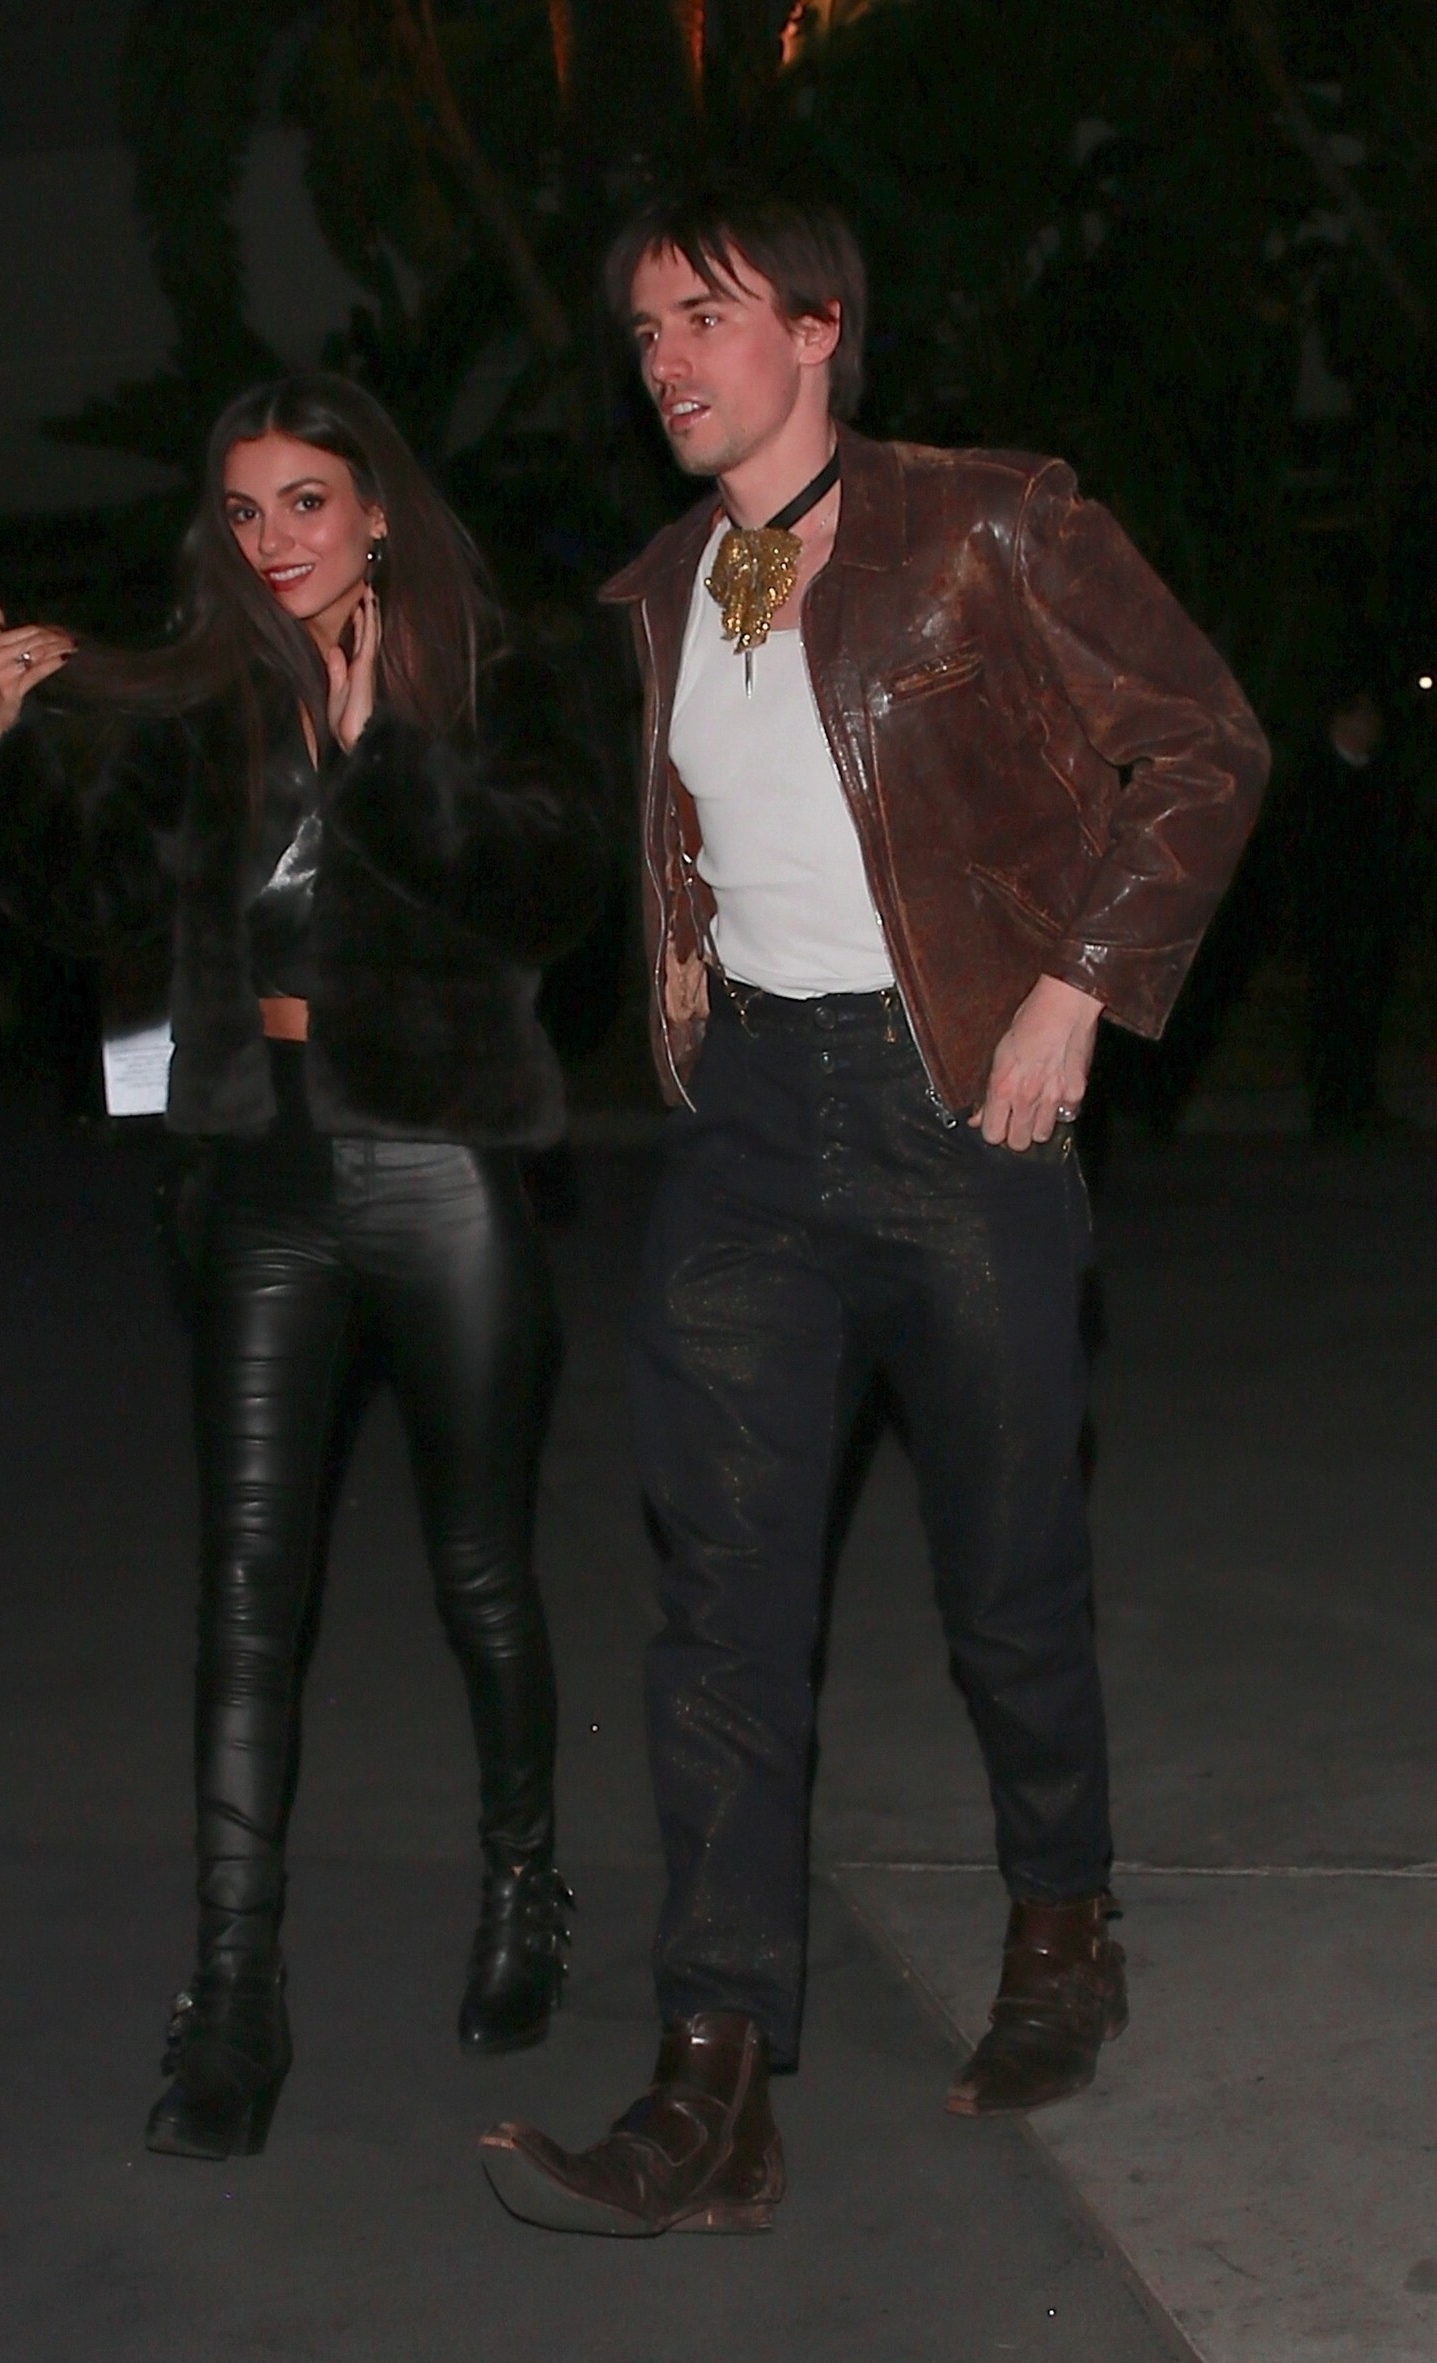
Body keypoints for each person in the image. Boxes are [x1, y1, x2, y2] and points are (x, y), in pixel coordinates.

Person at [480, 188, 1269, 2236]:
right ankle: (710, 2084)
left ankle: (1061, 1929)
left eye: (703, 315)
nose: (664, 358)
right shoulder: (662, 587)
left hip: (958, 1113)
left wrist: (1075, 992)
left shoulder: (988, 520)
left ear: (818, 326)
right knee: (719, 1613)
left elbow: (1201, 746)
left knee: (1007, 1576)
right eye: (643, 330)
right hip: (750, 1131)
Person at [0, 373, 602, 2161]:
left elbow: (550, 895)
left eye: (305, 502)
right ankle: (232, 1996)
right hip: (263, 1163)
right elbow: (86, 904)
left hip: (444, 1160)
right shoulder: (209, 702)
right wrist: (1, 746)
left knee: (480, 1568)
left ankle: (525, 1893)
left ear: (376, 507)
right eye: (243, 512)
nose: (273, 541)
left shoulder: (497, 674)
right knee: (248, 1590)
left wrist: (390, 749)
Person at [1293, 682, 1405, 1141]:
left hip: (1372, 920)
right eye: (1363, 716)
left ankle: (1359, 1100)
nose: (1372, 727)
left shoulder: (1382, 779)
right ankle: (1332, 1105)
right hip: (1333, 921)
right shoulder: (1317, 778)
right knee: (1332, 1012)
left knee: (1366, 1014)